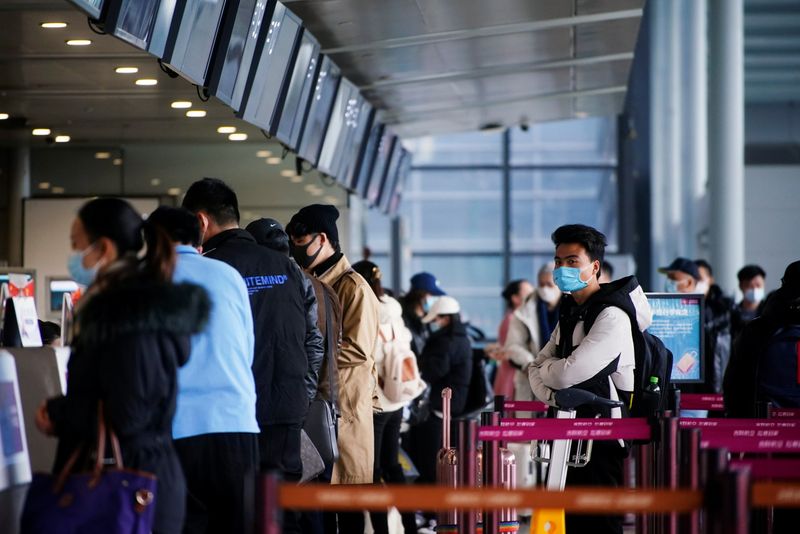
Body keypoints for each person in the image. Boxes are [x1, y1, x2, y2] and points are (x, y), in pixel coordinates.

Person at [34, 198, 210, 534]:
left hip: (130, 489)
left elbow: (130, 410)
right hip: (135, 480)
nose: (74, 256)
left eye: (77, 244)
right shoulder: (133, 305)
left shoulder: (127, 312)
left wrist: (60, 413)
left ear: (104, 248)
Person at [182, 179, 323, 534]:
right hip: (288, 408)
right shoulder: (288, 267)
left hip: (236, 415)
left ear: (201, 221)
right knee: (283, 510)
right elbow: (312, 340)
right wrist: (301, 396)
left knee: (236, 513)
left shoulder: (210, 269)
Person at [529, 224, 651, 534]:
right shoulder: (572, 309)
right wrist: (555, 390)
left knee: (598, 524)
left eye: (572, 261)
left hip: (602, 437)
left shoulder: (612, 316)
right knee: (565, 521)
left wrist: (551, 375)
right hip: (567, 430)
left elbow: (567, 373)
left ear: (594, 266)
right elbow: (536, 366)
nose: (562, 268)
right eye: (558, 261)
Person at [148, 206, 259, 534]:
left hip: (180, 429)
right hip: (238, 425)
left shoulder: (152, 279)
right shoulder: (229, 275)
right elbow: (247, 350)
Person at [286, 204, 380, 534]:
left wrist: (309, 360)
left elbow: (358, 350)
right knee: (322, 508)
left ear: (322, 239)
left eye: (299, 239)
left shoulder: (352, 286)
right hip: (320, 408)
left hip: (346, 413)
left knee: (348, 509)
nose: (294, 247)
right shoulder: (307, 283)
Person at [352, 260, 419, 534]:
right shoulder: (393, 307)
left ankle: (381, 530)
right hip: (398, 398)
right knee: (392, 466)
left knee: (372, 471)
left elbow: (366, 357)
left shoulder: (366, 310)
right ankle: (410, 527)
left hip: (377, 401)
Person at [500, 264, 561, 496]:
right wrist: (531, 364)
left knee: (559, 441)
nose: (546, 289)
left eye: (550, 284)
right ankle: (530, 496)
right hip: (530, 381)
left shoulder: (572, 306)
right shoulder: (525, 311)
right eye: (542, 284)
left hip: (563, 381)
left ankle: (555, 492)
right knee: (530, 442)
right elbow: (512, 346)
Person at [410, 296, 472, 485]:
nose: (433, 324)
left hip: (443, 407)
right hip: (452, 404)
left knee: (431, 458)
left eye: (436, 319)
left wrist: (417, 365)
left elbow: (434, 371)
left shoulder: (447, 342)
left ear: (446, 319)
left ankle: (430, 507)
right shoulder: (462, 338)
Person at [660, 258, 733, 396]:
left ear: (688, 282)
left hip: (698, 392)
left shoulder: (706, 314)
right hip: (668, 387)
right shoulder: (661, 310)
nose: (668, 282)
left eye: (673, 278)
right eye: (668, 278)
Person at [492, 279, 534, 399]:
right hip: (513, 374)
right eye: (528, 294)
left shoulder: (515, 318)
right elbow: (510, 351)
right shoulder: (512, 320)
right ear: (515, 298)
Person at [399, 272, 446, 357]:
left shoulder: (429, 319)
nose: (435, 299)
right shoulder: (402, 318)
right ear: (420, 294)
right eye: (432, 294)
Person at [732, 264, 767, 339]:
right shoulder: (732, 313)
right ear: (741, 286)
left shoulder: (769, 312)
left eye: (758, 285)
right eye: (750, 286)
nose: (754, 289)